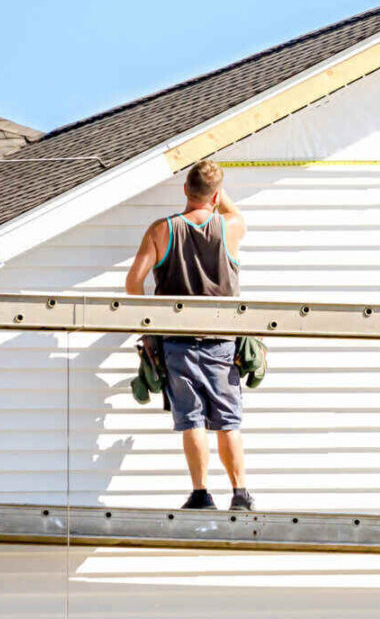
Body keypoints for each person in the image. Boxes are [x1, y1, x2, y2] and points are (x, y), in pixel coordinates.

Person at [124, 159, 253, 511]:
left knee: (191, 418)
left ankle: (200, 494)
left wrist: (149, 324)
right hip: (222, 340)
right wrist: (218, 194)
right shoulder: (231, 228)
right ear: (216, 196)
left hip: (177, 340)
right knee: (227, 420)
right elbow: (232, 211)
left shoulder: (161, 230)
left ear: (185, 190)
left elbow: (133, 282)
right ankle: (240, 494)